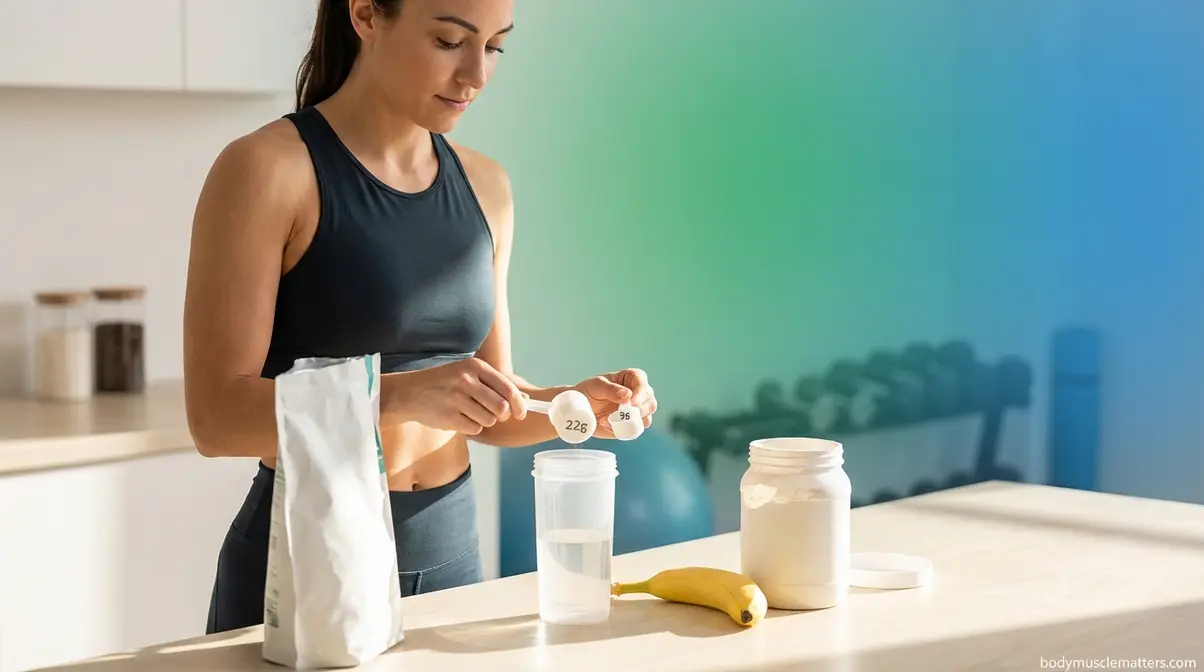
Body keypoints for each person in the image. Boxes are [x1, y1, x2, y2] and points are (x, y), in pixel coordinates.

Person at [182, 0, 658, 635]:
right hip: (306, 559)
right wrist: (404, 395)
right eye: (449, 41)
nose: (476, 74)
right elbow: (215, 419)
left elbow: (492, 404)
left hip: (451, 555)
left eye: (494, 46)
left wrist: (568, 405)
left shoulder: (486, 186)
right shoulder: (267, 169)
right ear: (365, 15)